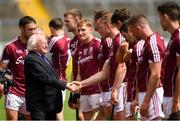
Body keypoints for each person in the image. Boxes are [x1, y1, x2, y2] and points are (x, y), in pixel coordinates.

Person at [73, 8, 130, 120]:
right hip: (112, 88)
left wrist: (114, 89)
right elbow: (104, 73)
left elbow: (122, 67)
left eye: (100, 27)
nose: (98, 30)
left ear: (108, 25)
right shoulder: (113, 42)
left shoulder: (119, 40)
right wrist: (81, 84)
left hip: (121, 87)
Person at [24, 34, 75, 120]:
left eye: (46, 43)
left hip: (48, 104)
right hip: (39, 105)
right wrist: (65, 85)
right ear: (34, 46)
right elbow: (44, 77)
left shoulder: (43, 57)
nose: (46, 45)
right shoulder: (31, 59)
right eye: (43, 43)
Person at [128, 14, 165, 120]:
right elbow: (142, 74)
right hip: (145, 94)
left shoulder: (153, 43)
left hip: (153, 95)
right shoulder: (146, 43)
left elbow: (155, 75)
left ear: (138, 29)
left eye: (132, 31)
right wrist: (137, 99)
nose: (132, 35)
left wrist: (146, 100)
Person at [0, 16, 36, 120]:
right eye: (30, 29)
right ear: (21, 28)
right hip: (14, 90)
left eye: (34, 29)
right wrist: (5, 77)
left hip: (31, 91)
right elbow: (2, 68)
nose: (33, 32)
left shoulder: (36, 46)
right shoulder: (10, 47)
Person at [75, 18, 102, 120]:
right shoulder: (80, 47)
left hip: (97, 91)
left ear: (90, 29)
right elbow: (79, 72)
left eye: (83, 30)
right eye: (78, 30)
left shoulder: (98, 44)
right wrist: (77, 92)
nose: (80, 33)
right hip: (84, 92)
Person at [157, 1, 180, 119]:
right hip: (169, 95)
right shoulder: (173, 37)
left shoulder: (178, 38)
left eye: (160, 18)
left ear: (165, 17)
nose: (160, 22)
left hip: (174, 97)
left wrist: (176, 100)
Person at [48, 18, 71, 120]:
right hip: (63, 77)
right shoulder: (68, 38)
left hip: (55, 79)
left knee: (56, 112)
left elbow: (45, 54)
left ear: (52, 28)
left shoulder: (55, 40)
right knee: (59, 110)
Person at [64, 8, 84, 120]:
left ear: (77, 20)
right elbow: (75, 67)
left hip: (86, 85)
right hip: (77, 85)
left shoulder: (85, 40)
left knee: (82, 117)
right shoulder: (72, 42)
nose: (65, 24)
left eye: (67, 21)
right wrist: (72, 91)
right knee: (78, 117)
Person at [93, 9, 113, 119]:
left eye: (94, 19)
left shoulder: (108, 40)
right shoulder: (103, 40)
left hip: (109, 87)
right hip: (104, 87)